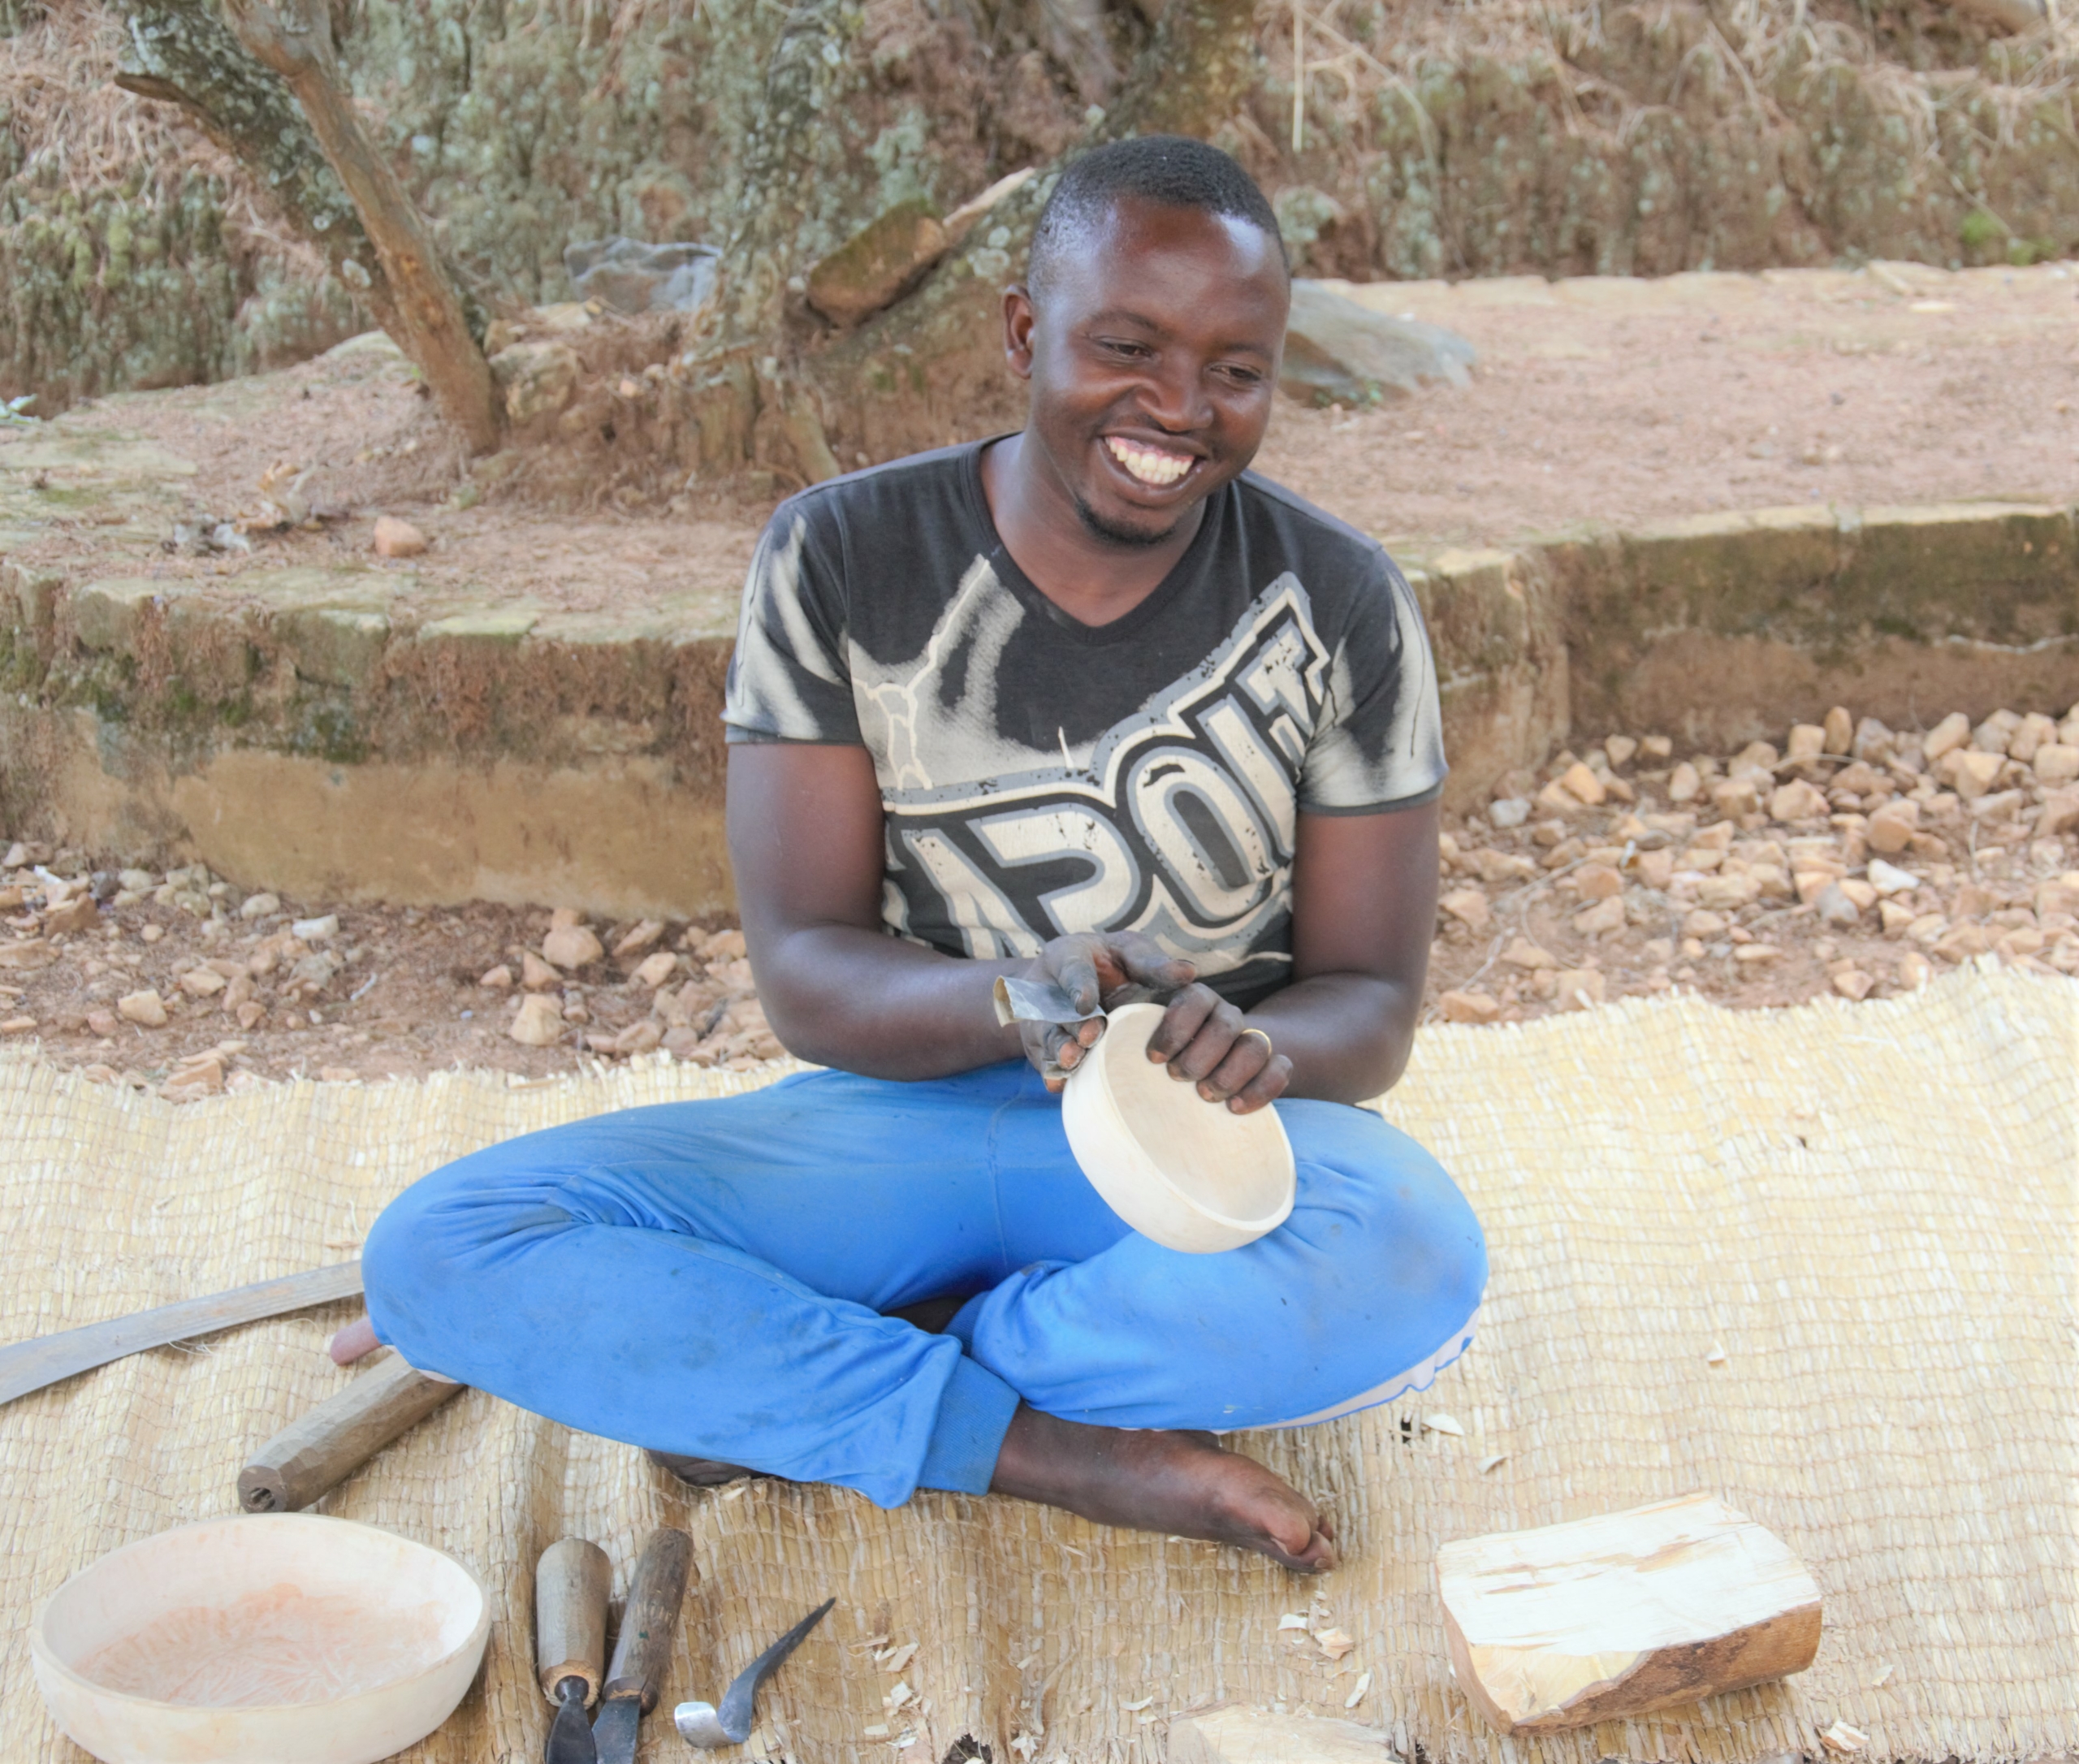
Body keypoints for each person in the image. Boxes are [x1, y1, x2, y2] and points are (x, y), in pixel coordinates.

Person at [364, 136, 1485, 1574]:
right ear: (1027, 329)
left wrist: (1256, 1052)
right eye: (1128, 347)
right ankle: (1042, 1451)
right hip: (899, 1130)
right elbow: (810, 974)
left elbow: (1371, 1002)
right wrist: (1020, 993)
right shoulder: (839, 556)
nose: (1179, 409)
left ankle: (851, 1365)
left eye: (1237, 371)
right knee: (445, 1248)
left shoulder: (1340, 600)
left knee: (1411, 1250)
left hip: (1189, 1167)